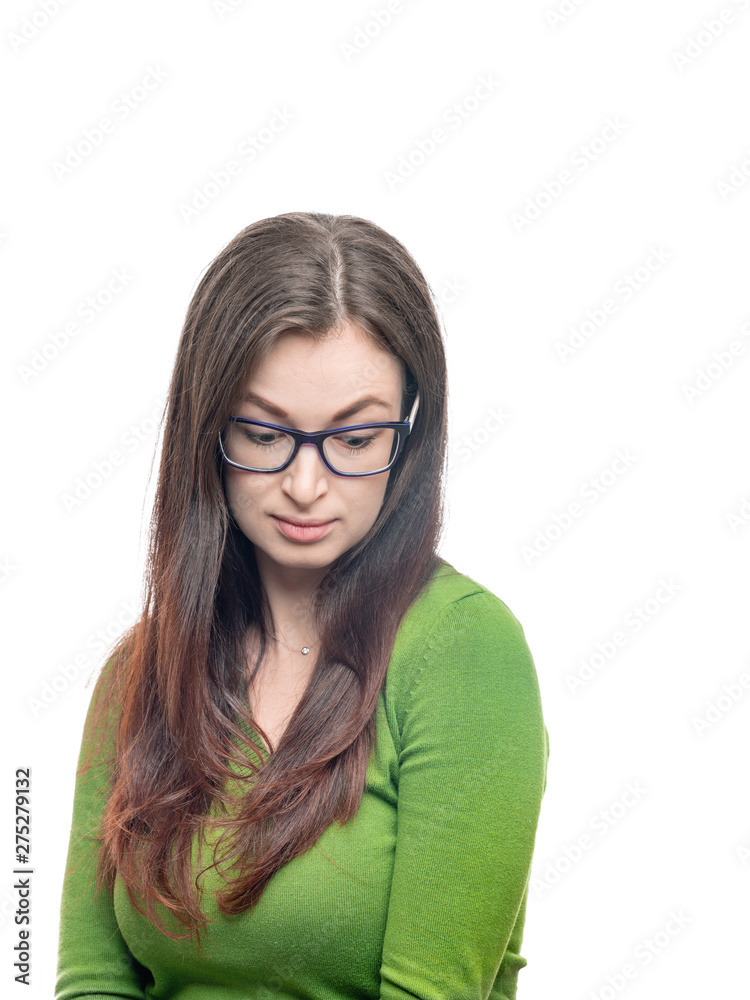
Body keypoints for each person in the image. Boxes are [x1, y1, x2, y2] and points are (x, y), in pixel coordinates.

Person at [55, 211, 550, 1000]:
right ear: (206, 429)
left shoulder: (464, 651)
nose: (306, 485)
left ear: (409, 434)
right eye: (263, 433)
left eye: (354, 440)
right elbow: (92, 982)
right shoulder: (140, 670)